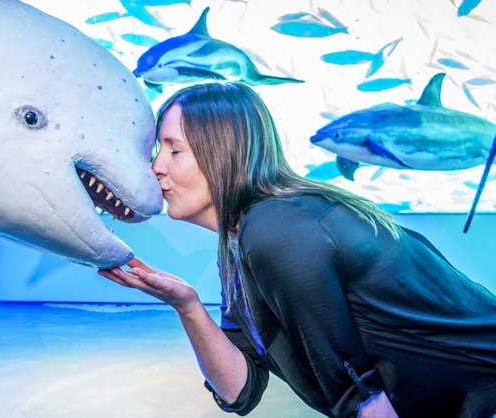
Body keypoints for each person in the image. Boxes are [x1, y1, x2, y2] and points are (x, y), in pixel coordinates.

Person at [98, 82, 496, 418]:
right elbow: (242, 391)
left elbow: (365, 402)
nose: (156, 168)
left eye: (174, 150)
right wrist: (187, 306)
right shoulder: (242, 243)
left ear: (222, 152)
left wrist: (360, 399)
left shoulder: (275, 227)